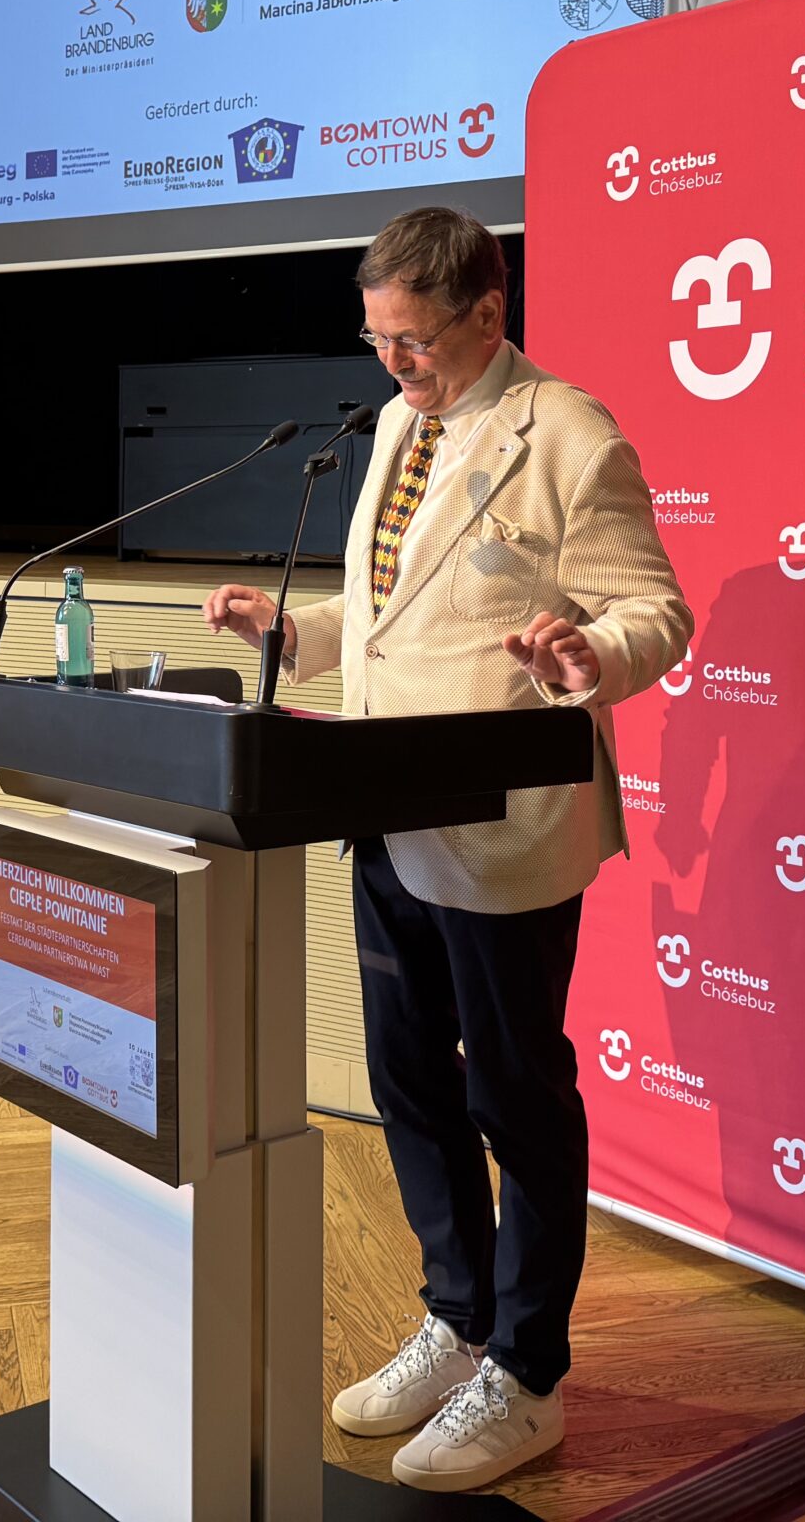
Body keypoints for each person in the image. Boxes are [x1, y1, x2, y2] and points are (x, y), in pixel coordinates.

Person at [205, 207, 691, 1495]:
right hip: (383, 807)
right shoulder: (397, 428)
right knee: (410, 1081)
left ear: (488, 311)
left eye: (414, 341)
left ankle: (527, 1376)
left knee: (514, 1097)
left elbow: (656, 610)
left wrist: (592, 654)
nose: (394, 365)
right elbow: (399, 613)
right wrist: (294, 634)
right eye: (376, 342)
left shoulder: (570, 435)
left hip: (501, 823)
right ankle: (459, 1320)